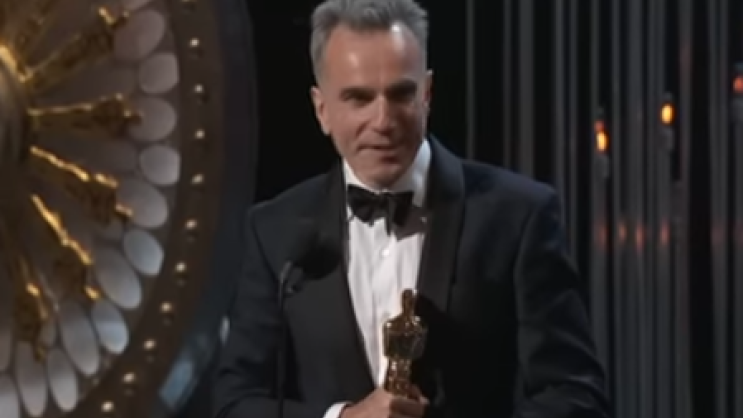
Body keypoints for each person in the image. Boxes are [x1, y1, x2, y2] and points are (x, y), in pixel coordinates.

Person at [213, 0, 609, 417]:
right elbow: (235, 405)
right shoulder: (274, 232)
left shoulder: (518, 216)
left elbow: (576, 397)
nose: (383, 121)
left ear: (427, 95)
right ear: (322, 109)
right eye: (359, 98)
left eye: (401, 94)